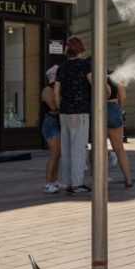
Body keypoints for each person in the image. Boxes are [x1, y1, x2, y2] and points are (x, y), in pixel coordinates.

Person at [55, 37, 94, 195]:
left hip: (64, 112)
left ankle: (65, 182)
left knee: (66, 149)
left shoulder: (61, 68)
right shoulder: (85, 65)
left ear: (67, 50)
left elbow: (57, 92)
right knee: (78, 149)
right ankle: (77, 184)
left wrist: (60, 107)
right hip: (80, 112)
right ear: (81, 49)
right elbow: (94, 84)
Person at [106, 72, 132, 188]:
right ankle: (128, 179)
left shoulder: (92, 76)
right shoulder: (114, 76)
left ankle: (102, 178)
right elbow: (123, 96)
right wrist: (119, 109)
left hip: (98, 109)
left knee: (98, 148)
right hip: (113, 108)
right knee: (119, 149)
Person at [41, 66, 62, 194]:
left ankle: (54, 181)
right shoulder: (47, 90)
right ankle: (48, 183)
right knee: (54, 154)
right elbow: (54, 106)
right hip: (50, 123)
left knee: (58, 154)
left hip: (56, 122)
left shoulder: (56, 89)